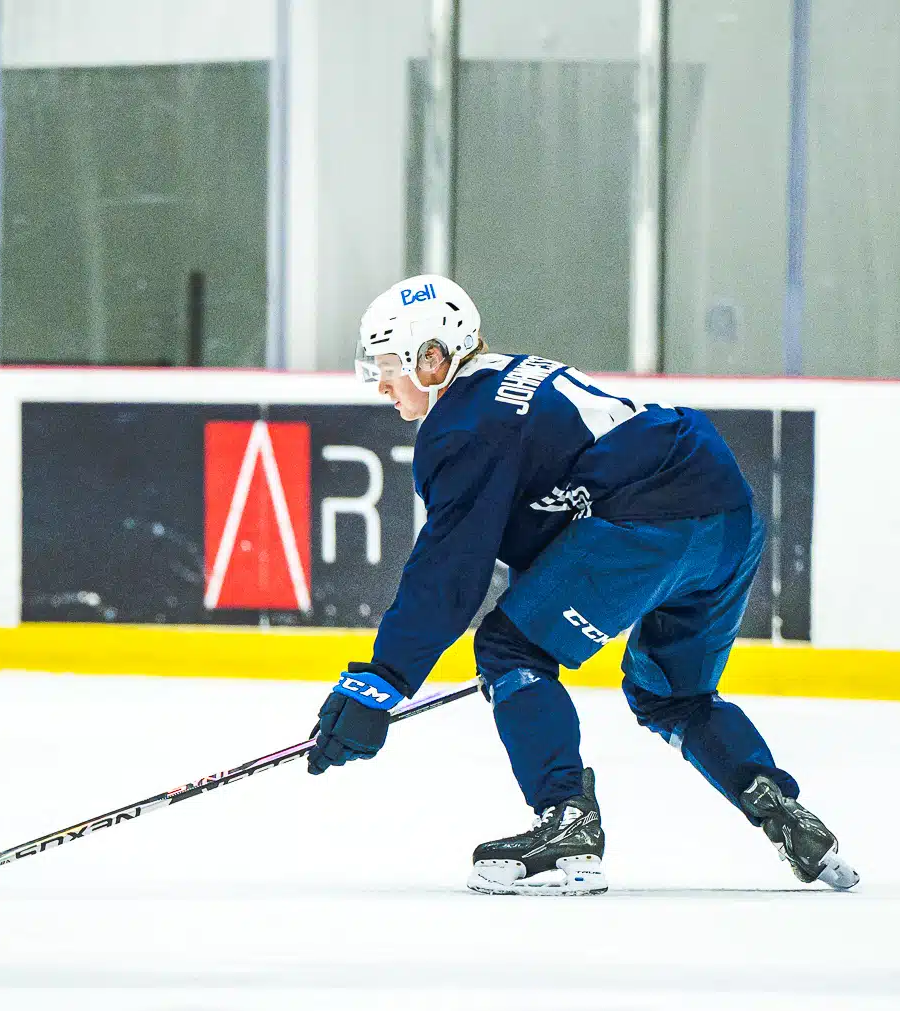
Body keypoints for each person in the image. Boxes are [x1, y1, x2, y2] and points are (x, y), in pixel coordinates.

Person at [304, 273, 859, 895]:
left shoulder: (460, 427)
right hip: (727, 514)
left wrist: (380, 683)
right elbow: (550, 529)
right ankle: (780, 806)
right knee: (671, 694)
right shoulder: (511, 377)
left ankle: (566, 820)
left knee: (509, 649)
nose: (380, 383)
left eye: (388, 366)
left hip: (651, 521)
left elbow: (448, 573)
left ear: (432, 359)